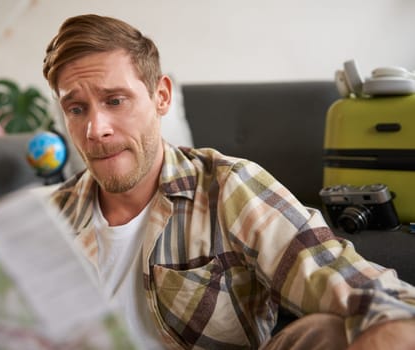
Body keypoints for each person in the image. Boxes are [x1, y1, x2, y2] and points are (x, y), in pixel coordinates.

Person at [43, 14, 415, 349]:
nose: (95, 130)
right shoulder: (49, 216)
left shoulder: (228, 187)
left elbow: (356, 286)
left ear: (161, 97)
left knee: (335, 333)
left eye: (115, 100)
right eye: (76, 109)